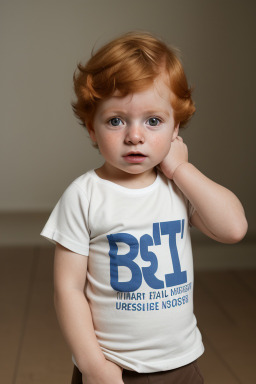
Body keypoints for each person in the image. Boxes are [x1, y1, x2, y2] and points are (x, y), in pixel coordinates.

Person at [40, 31, 247, 384]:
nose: (135, 135)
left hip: (181, 363)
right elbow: (68, 289)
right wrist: (93, 367)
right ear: (92, 128)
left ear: (175, 128)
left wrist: (181, 169)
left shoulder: (177, 186)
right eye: (116, 120)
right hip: (113, 368)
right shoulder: (84, 195)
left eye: (153, 121)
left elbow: (233, 229)